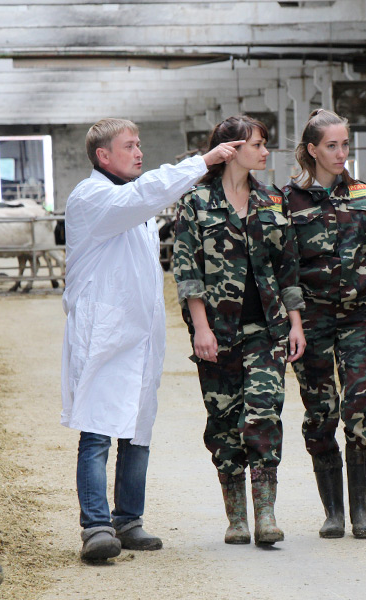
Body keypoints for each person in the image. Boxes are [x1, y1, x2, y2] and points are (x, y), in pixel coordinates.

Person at [61, 118, 242, 561]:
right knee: (99, 428)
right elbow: (147, 194)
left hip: (138, 336)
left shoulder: (132, 206)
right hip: (104, 336)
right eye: (130, 146)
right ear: (103, 156)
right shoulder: (93, 197)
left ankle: (129, 519)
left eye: (140, 144)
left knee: (138, 430)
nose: (139, 152)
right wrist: (203, 161)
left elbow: (145, 202)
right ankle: (97, 526)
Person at [173, 115, 305, 546]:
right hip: (218, 332)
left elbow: (288, 268)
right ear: (230, 149)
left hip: (267, 330)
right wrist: (200, 329)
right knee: (224, 423)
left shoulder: (272, 200)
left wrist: (296, 323)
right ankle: (237, 519)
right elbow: (187, 271)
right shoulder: (196, 202)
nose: (265, 152)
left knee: (264, 414)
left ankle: (266, 515)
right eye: (258, 144)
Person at [283, 109, 366, 539]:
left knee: (359, 404)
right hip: (310, 319)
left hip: (357, 316)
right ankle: (332, 511)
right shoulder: (287, 200)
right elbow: (285, 270)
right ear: (312, 149)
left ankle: (361, 508)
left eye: (346, 144)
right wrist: (291, 322)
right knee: (321, 412)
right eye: (331, 145)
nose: (341, 153)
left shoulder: (365, 196)